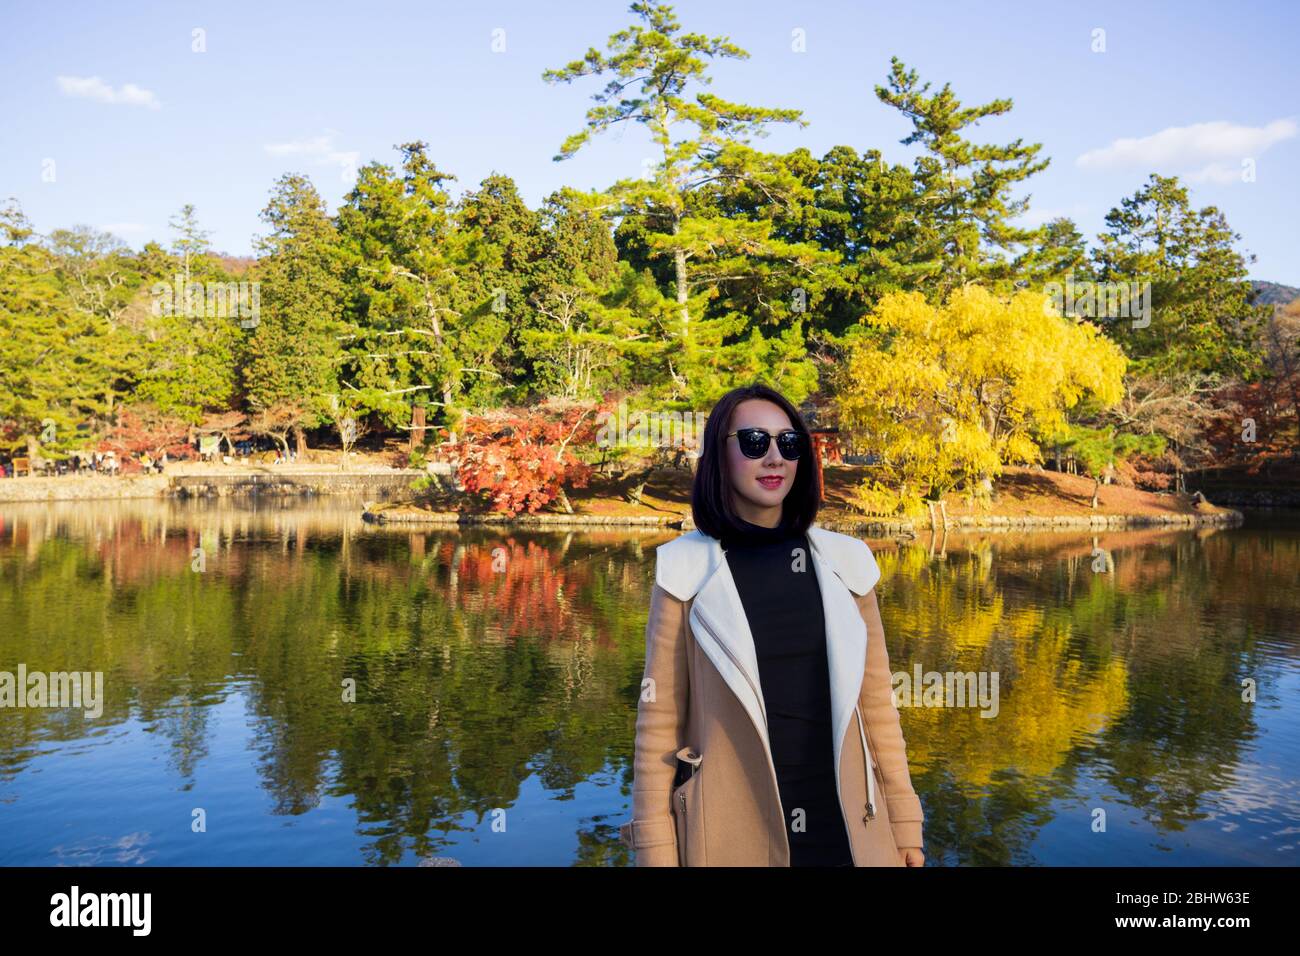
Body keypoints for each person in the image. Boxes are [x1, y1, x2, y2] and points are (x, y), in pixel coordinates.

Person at [622, 383, 925, 867]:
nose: (775, 458)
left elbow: (878, 709)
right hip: (729, 831)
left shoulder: (847, 565)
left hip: (848, 824)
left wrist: (905, 822)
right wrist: (655, 849)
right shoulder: (684, 572)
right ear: (719, 455)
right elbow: (658, 725)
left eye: (788, 444)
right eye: (754, 442)